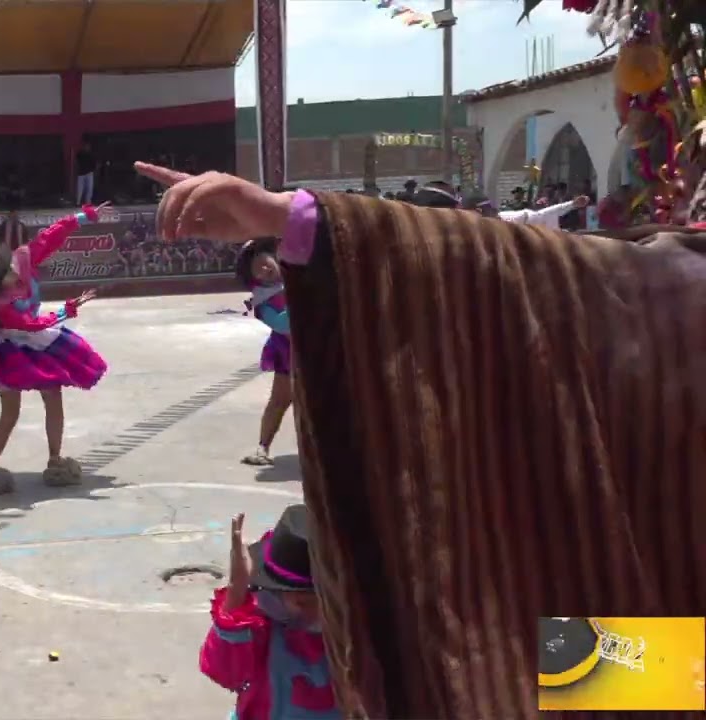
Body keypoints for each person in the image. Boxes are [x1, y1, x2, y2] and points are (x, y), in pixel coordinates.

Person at [133, 162, 706, 718]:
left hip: (671, 650)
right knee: (564, 667)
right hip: (672, 651)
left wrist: (300, 224)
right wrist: (299, 225)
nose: (677, 182)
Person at [0, 204, 110, 495]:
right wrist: (67, 310)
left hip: (32, 339)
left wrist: (80, 217)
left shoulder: (22, 259)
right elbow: (32, 325)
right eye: (4, 273)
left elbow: (48, 238)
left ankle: (54, 460)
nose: (12, 272)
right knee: (10, 413)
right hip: (9, 348)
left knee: (53, 396)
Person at [200, 507, 336, 720]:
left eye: (323, 602)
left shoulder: (356, 628)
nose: (313, 613)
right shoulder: (262, 622)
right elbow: (225, 673)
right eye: (301, 602)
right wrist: (236, 592)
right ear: (278, 595)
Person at [235, 238, 293, 467]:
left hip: (324, 345)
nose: (265, 269)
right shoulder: (263, 302)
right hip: (289, 352)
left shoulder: (298, 274)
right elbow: (284, 325)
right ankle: (262, 447)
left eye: (264, 261)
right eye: (257, 270)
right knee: (280, 400)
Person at [75, 141, 97, 206]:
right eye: (86, 146)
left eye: (88, 146)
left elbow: (94, 164)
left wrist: (94, 170)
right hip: (81, 173)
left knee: (89, 188)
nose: (87, 147)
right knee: (80, 188)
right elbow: (76, 162)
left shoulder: (91, 154)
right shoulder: (80, 153)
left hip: (89, 173)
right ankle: (78, 202)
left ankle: (88, 202)